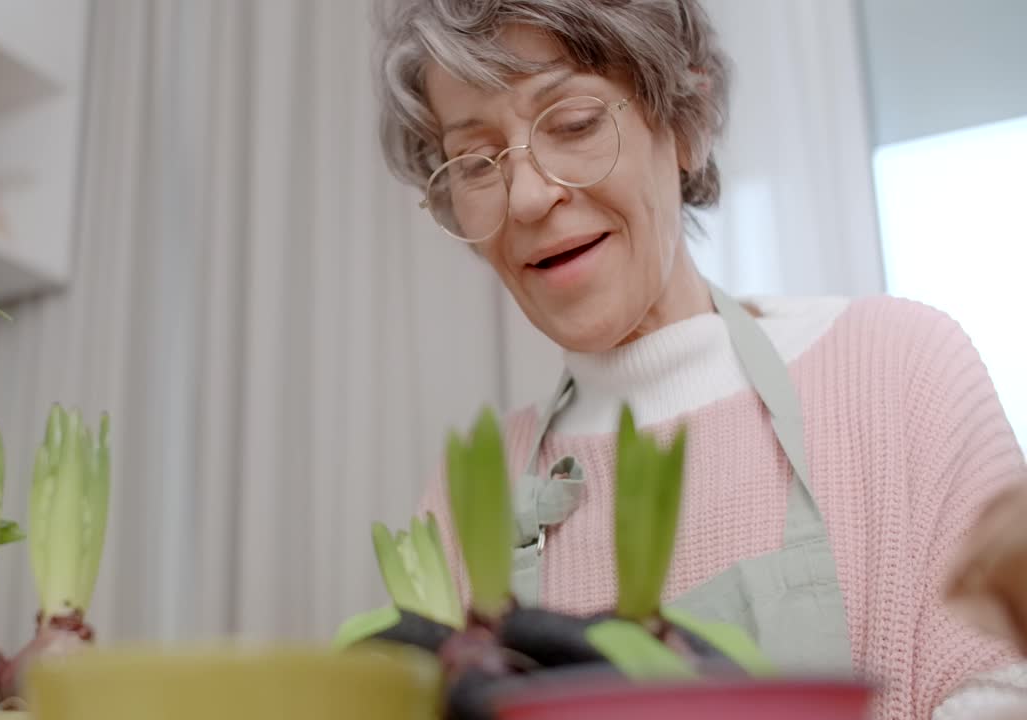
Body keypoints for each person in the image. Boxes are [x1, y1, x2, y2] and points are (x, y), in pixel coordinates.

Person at [371, 1, 1027, 718]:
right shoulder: (473, 495)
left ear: (687, 122)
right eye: (475, 161)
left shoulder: (901, 371)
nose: (528, 196)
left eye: (574, 124)